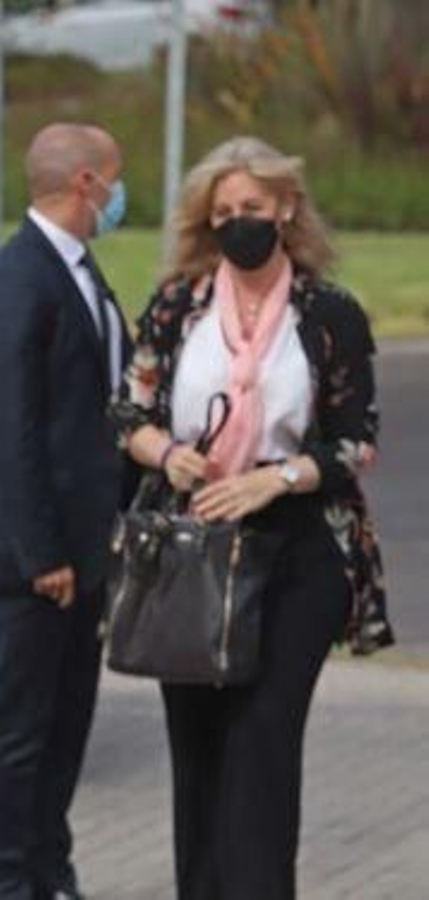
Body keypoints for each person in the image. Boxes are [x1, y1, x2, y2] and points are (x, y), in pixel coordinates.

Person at [112, 136, 394, 899]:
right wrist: (166, 451)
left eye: (254, 210)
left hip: (296, 551)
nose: (240, 223)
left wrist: (278, 479)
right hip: (191, 548)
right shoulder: (177, 306)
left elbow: (357, 440)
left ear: (287, 210)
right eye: (225, 212)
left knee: (263, 746)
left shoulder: (330, 313)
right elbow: (127, 413)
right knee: (197, 748)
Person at [0, 123, 132, 900]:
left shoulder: (79, 270)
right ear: (88, 183)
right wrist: (43, 555)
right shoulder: (16, 280)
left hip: (84, 552)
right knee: (20, 735)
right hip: (36, 561)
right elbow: (8, 430)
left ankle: (47, 873)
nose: (123, 194)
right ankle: (2, 884)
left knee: (65, 729)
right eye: (117, 178)